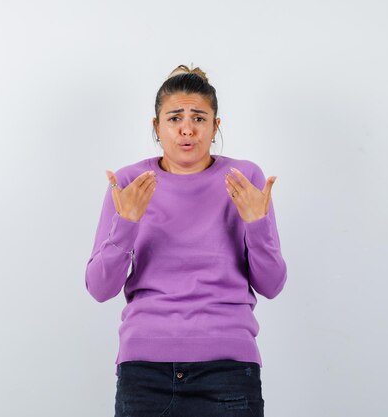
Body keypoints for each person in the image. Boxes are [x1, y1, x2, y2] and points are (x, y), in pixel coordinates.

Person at [84, 64, 287, 417]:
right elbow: (100, 288)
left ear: (215, 126)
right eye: (175, 118)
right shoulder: (130, 183)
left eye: (199, 118)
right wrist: (127, 223)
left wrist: (256, 224)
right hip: (145, 369)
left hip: (228, 367)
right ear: (156, 127)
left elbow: (271, 285)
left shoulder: (244, 179)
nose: (187, 129)